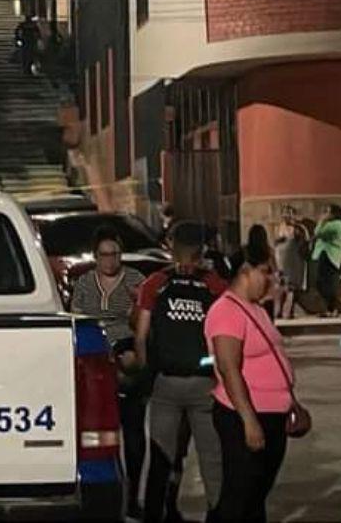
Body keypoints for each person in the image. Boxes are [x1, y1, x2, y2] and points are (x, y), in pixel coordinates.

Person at [135, 221, 226, 523]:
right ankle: (217, 514)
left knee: (161, 457)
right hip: (204, 385)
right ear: (201, 251)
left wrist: (149, 369)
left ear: (172, 249)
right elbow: (224, 335)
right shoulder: (215, 285)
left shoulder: (156, 283)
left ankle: (155, 515)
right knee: (212, 461)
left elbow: (141, 334)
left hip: (166, 384)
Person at [205, 239, 295, 523]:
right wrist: (249, 420)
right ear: (246, 271)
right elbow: (229, 369)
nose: (270, 280)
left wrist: (292, 401)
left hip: (272, 414)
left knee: (255, 497)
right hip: (245, 415)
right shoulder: (226, 311)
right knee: (239, 496)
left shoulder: (255, 308)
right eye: (265, 272)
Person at [70, 226, 146, 513]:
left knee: (134, 432)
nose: (110, 261)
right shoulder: (86, 284)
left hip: (126, 357)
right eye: (104, 255)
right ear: (96, 256)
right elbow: (77, 318)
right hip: (95, 363)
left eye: (115, 255)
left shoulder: (135, 281)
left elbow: (143, 321)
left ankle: (135, 494)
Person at [311, 204, 341, 316]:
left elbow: (317, 232)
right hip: (329, 256)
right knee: (324, 283)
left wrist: (322, 220)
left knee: (324, 283)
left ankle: (332, 308)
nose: (325, 214)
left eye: (328, 211)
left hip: (328, 256)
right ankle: (330, 309)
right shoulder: (336, 224)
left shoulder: (335, 224)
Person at [275, 222, 308, 320]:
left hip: (291, 269)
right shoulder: (289, 241)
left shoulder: (298, 243)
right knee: (287, 291)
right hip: (288, 268)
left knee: (289, 291)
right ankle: (284, 312)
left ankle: (285, 312)